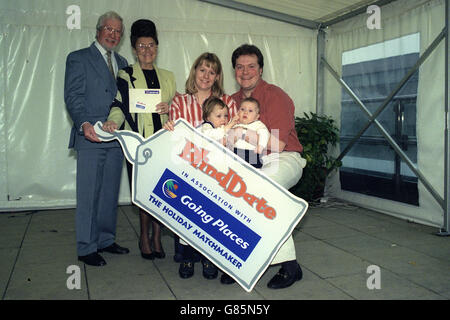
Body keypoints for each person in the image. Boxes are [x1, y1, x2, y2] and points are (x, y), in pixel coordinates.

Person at [225, 44, 307, 289]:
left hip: (283, 157)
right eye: (240, 67)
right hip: (247, 159)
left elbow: (279, 144)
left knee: (263, 190)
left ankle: (290, 265)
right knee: (225, 189)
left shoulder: (276, 96)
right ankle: (236, 258)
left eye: (251, 66)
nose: (245, 71)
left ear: (260, 69)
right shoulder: (232, 100)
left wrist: (244, 136)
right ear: (234, 71)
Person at [102, 19, 177, 260]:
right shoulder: (126, 74)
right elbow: (118, 104)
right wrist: (113, 121)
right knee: (143, 192)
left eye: (152, 45)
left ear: (158, 46)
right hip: (138, 143)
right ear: (134, 49)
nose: (147, 50)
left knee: (162, 190)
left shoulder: (168, 77)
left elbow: (177, 108)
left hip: (163, 142)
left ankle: (158, 235)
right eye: (142, 46)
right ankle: (145, 235)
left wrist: (171, 109)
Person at [64, 11, 129, 267]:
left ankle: (105, 239)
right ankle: (86, 247)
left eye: (118, 32)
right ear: (98, 30)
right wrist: (83, 123)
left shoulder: (123, 62)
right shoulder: (78, 58)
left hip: (116, 137)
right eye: (109, 29)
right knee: (89, 192)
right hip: (90, 134)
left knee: (109, 192)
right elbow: (73, 96)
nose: (113, 35)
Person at [165, 52, 238, 280]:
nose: (206, 75)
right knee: (188, 206)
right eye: (202, 69)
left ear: (217, 76)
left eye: (212, 71)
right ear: (194, 71)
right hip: (189, 166)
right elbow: (177, 138)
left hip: (219, 168)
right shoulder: (179, 101)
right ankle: (187, 254)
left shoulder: (229, 102)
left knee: (215, 212)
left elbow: (236, 135)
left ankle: (211, 255)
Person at [228, 97, 269, 168]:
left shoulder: (258, 124)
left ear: (257, 116)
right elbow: (227, 135)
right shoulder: (235, 123)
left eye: (250, 111)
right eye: (242, 109)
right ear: (238, 112)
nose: (245, 112)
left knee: (253, 165)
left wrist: (261, 146)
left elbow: (264, 134)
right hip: (235, 151)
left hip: (251, 153)